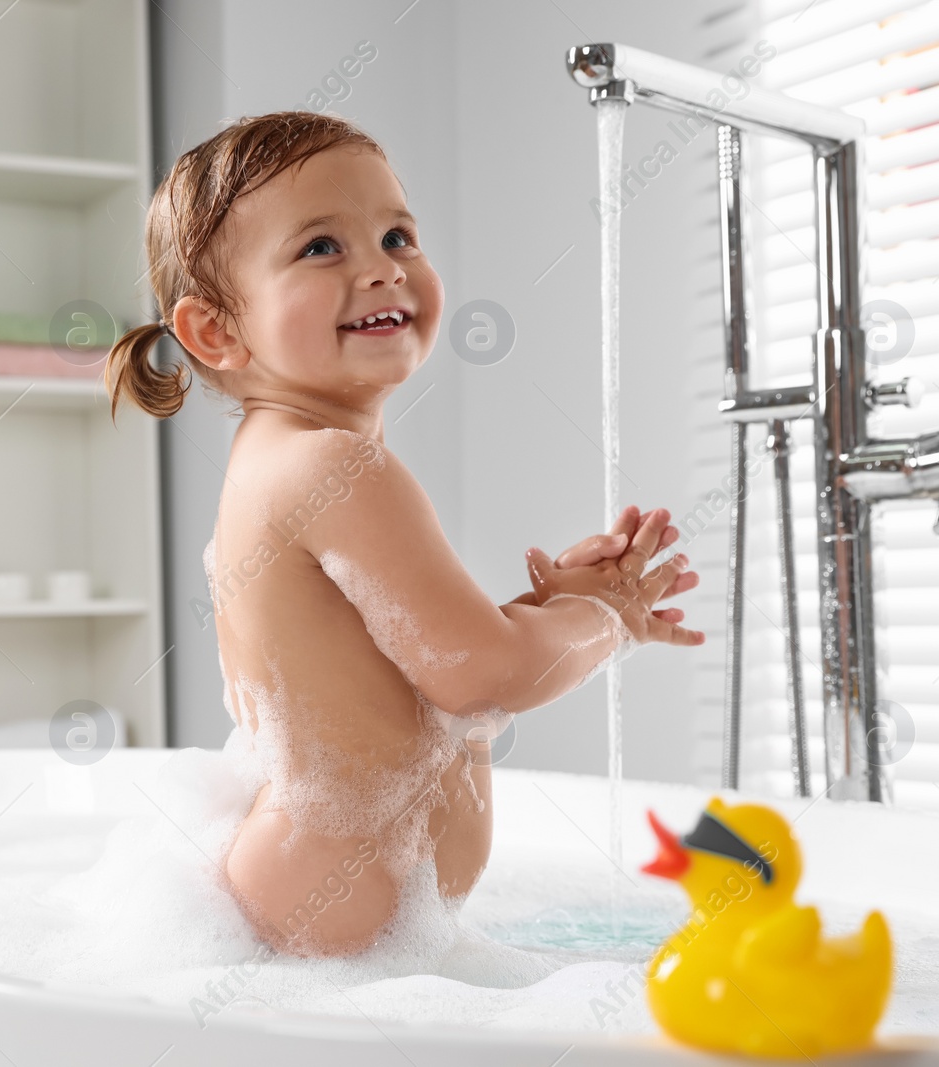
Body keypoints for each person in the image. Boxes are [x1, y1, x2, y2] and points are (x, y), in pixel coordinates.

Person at [105, 111, 703, 958]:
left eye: (397, 235)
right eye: (320, 247)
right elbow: (480, 674)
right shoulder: (331, 468)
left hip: (335, 914)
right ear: (215, 331)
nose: (382, 269)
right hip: (339, 910)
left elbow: (407, 674)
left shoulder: (287, 458)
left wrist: (544, 607)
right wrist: (612, 618)